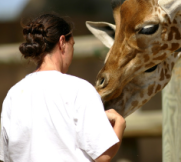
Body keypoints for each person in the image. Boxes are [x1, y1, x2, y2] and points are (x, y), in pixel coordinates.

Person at [0, 13, 126, 162]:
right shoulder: (80, 89)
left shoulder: (13, 94)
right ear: (62, 42)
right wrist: (119, 123)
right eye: (72, 45)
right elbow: (102, 156)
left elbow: (6, 156)